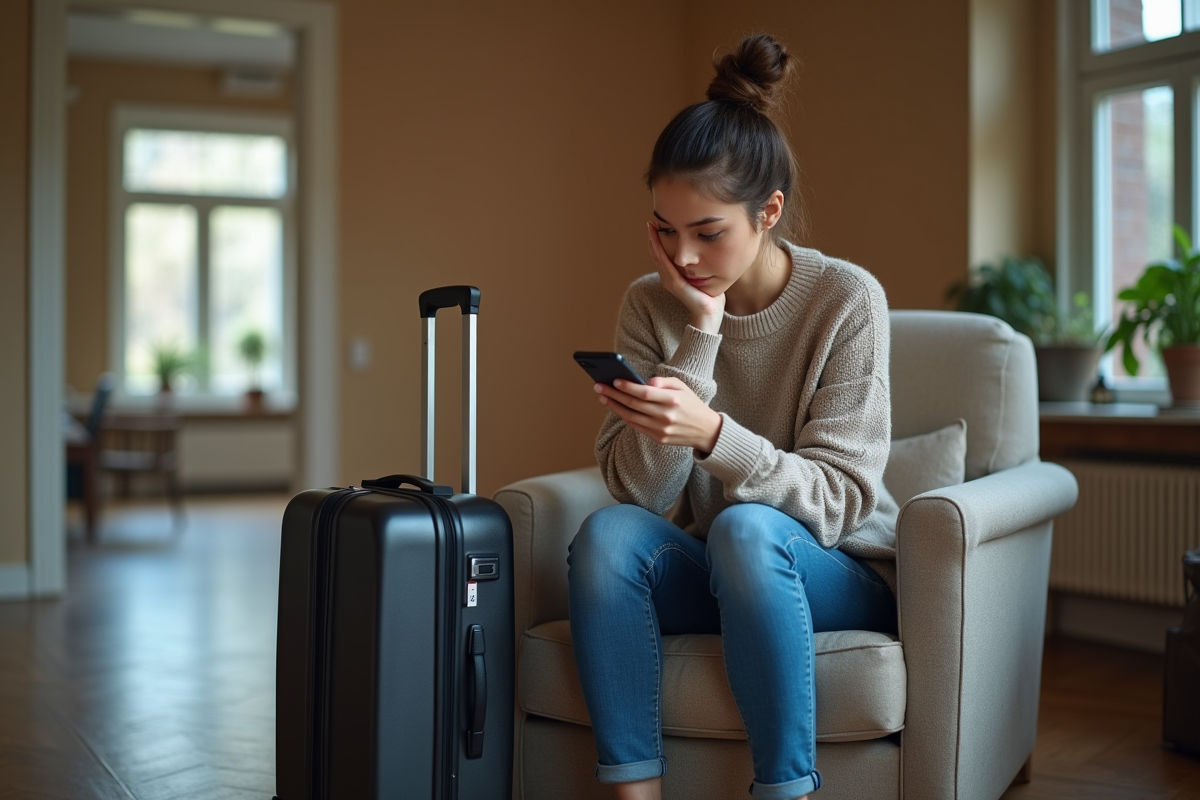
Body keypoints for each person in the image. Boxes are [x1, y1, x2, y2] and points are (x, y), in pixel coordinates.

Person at [566, 33, 901, 800]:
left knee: (743, 529)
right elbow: (643, 496)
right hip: (715, 569)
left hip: (832, 570)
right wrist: (701, 335)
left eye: (708, 232)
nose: (683, 257)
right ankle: (633, 792)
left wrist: (714, 435)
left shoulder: (846, 300)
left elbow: (840, 500)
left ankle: (784, 790)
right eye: (664, 229)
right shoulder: (652, 305)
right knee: (606, 537)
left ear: (769, 212)